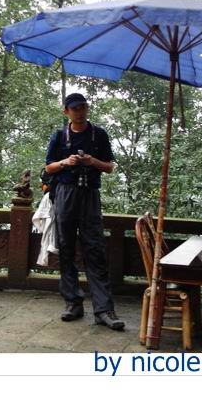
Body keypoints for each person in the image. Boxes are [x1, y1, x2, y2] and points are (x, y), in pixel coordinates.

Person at [45, 92, 125, 331]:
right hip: (65, 194)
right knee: (66, 248)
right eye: (75, 108)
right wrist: (65, 162)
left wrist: (92, 162)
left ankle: (104, 310)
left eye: (83, 107)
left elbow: (109, 167)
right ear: (66, 111)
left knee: (95, 249)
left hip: (90, 194)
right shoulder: (60, 135)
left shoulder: (98, 134)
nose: (80, 111)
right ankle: (73, 303)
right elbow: (48, 167)